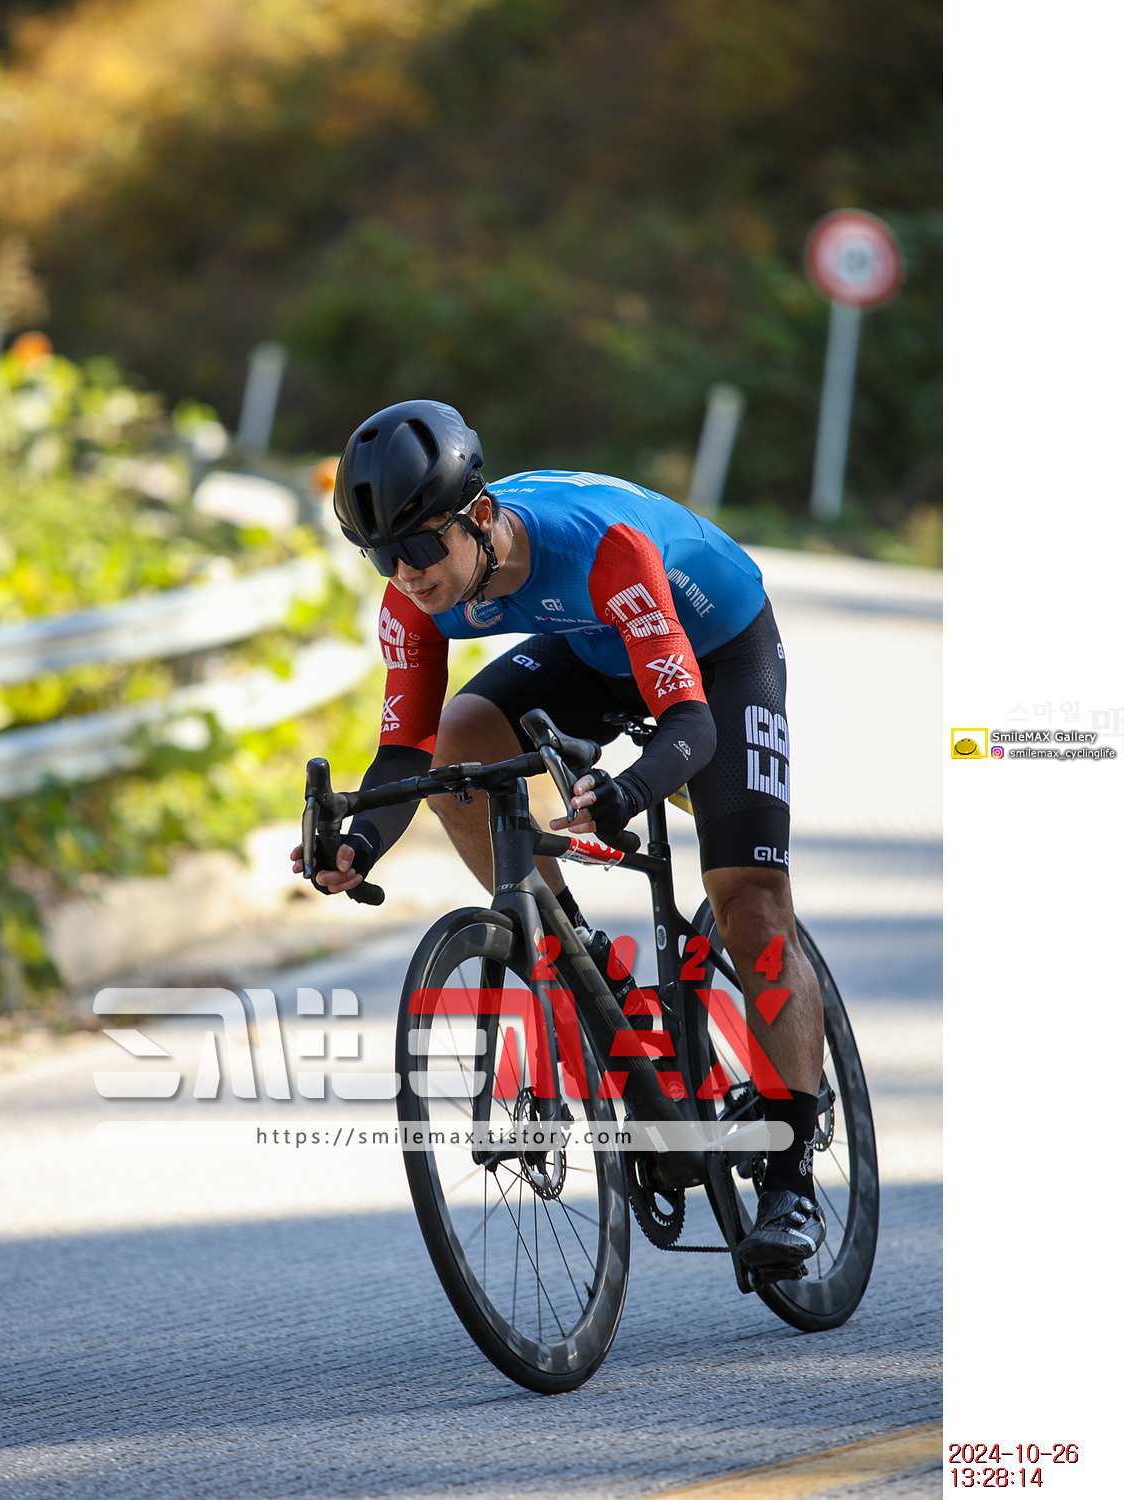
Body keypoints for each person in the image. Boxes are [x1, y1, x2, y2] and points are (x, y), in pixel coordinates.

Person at [288, 399, 825, 1272]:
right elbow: (405, 751)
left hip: (717, 650)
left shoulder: (603, 548)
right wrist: (359, 844)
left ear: (481, 516)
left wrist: (627, 791)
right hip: (594, 643)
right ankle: (578, 954)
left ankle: (793, 1177)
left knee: (751, 902)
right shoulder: (415, 599)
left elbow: (691, 725)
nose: (407, 573)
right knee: (461, 744)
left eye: (420, 546)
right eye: (382, 555)